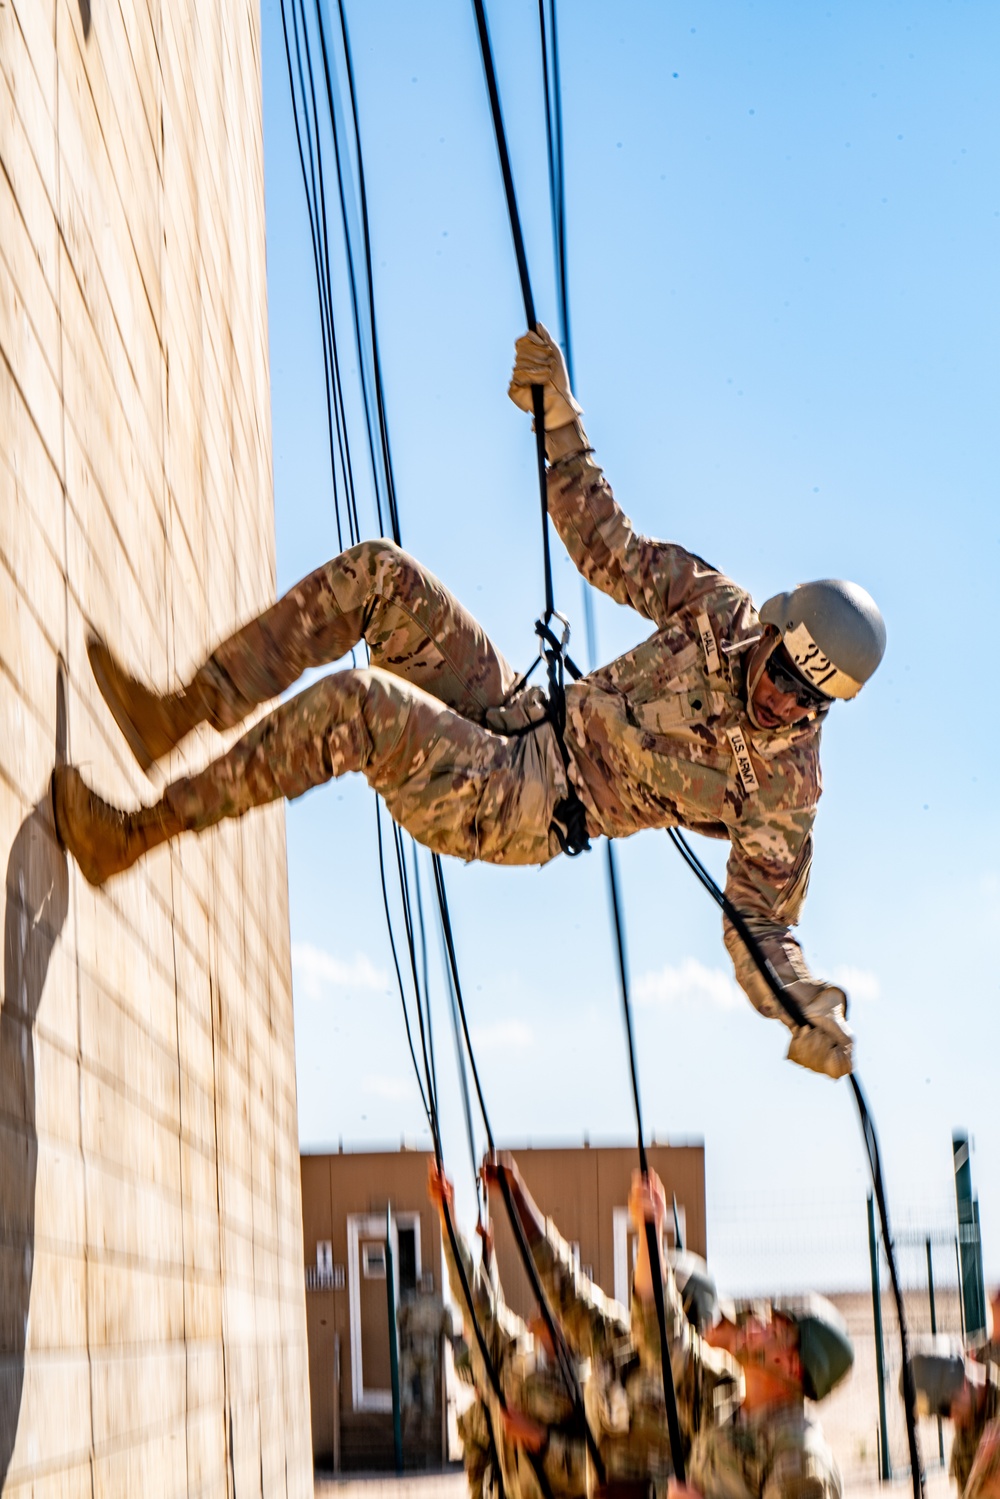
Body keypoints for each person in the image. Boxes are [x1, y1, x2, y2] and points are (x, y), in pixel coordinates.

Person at [52, 328, 885, 1078]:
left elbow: (758, 923)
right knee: (382, 575)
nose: (780, 699)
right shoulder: (717, 608)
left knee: (361, 708)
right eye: (781, 672)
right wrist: (561, 420)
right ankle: (179, 712)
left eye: (807, 699)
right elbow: (610, 547)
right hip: (524, 714)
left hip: (525, 802)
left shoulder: (787, 788)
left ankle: (131, 835)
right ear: (772, 630)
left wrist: (803, 999)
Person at [431, 1159, 741, 1499]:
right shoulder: (617, 1341)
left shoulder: (711, 1383)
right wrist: (516, 1195)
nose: (641, 1298)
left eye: (656, 1291)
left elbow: (720, 1480)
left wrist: (645, 1492)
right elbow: (563, 1283)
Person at [695, 1296, 852, 1499]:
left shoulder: (801, 1457)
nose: (754, 1324)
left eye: (773, 1330)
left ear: (792, 1367)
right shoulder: (731, 1414)